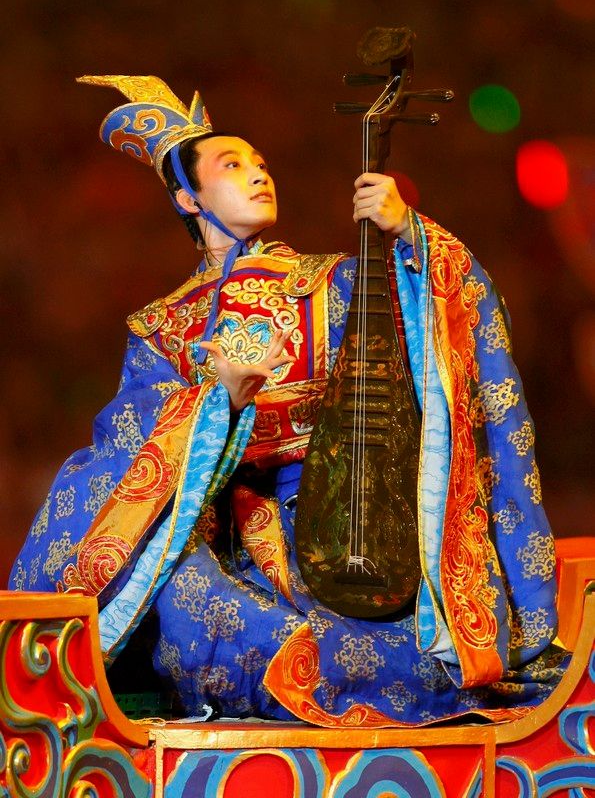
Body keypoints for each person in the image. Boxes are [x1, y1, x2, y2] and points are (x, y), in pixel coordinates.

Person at [9, 74, 567, 727]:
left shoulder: (333, 282)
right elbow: (127, 449)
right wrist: (216, 406)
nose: (257, 175)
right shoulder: (161, 326)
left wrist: (407, 233)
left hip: (343, 524)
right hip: (220, 535)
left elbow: (449, 311)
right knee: (183, 593)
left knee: (387, 638)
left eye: (262, 164)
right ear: (187, 197)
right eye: (231, 164)